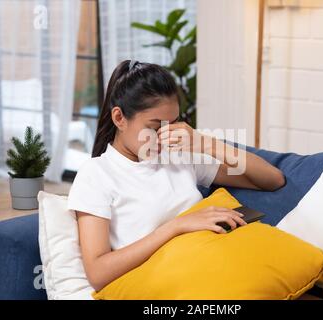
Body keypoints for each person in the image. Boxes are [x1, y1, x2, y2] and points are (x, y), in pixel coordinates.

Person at [67, 60, 286, 291]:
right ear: (119, 118)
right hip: (172, 284)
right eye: (154, 127)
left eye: (171, 125)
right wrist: (177, 226)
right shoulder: (97, 175)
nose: (164, 137)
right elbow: (98, 273)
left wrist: (205, 143)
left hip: (220, 266)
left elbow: (272, 180)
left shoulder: (177, 156)